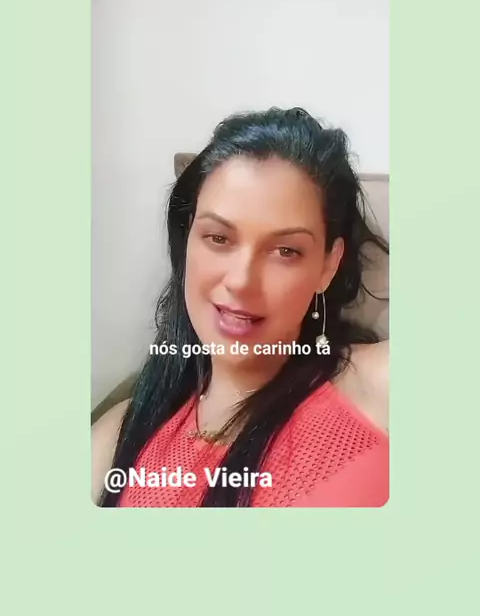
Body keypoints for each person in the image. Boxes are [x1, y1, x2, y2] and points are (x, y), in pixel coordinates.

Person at [92, 106, 389, 507]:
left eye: (286, 251)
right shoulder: (118, 436)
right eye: (218, 238)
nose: (242, 281)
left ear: (327, 266)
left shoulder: (379, 384)